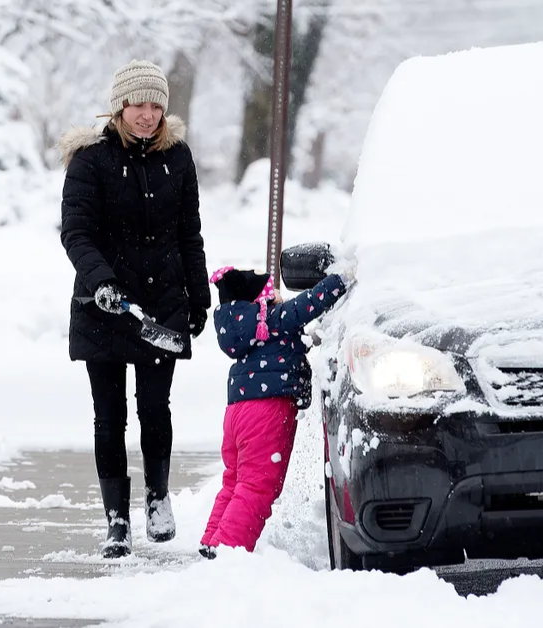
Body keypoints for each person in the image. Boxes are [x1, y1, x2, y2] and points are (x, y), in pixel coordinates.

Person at [58, 59, 211, 558]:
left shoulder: (179, 158)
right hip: (104, 304)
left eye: (156, 105)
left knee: (154, 409)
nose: (147, 115)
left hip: (161, 304)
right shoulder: (90, 160)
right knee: (109, 416)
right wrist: (101, 280)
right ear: (119, 106)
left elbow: (189, 233)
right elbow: (76, 233)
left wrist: (198, 295)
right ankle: (116, 518)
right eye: (138, 104)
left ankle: (158, 499)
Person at [199, 267, 347, 557]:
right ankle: (228, 551)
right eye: (270, 291)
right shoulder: (270, 319)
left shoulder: (244, 327)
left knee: (235, 481)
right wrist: (341, 278)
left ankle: (211, 540)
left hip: (238, 411)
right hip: (265, 412)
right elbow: (309, 304)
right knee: (257, 487)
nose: (277, 294)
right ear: (259, 300)